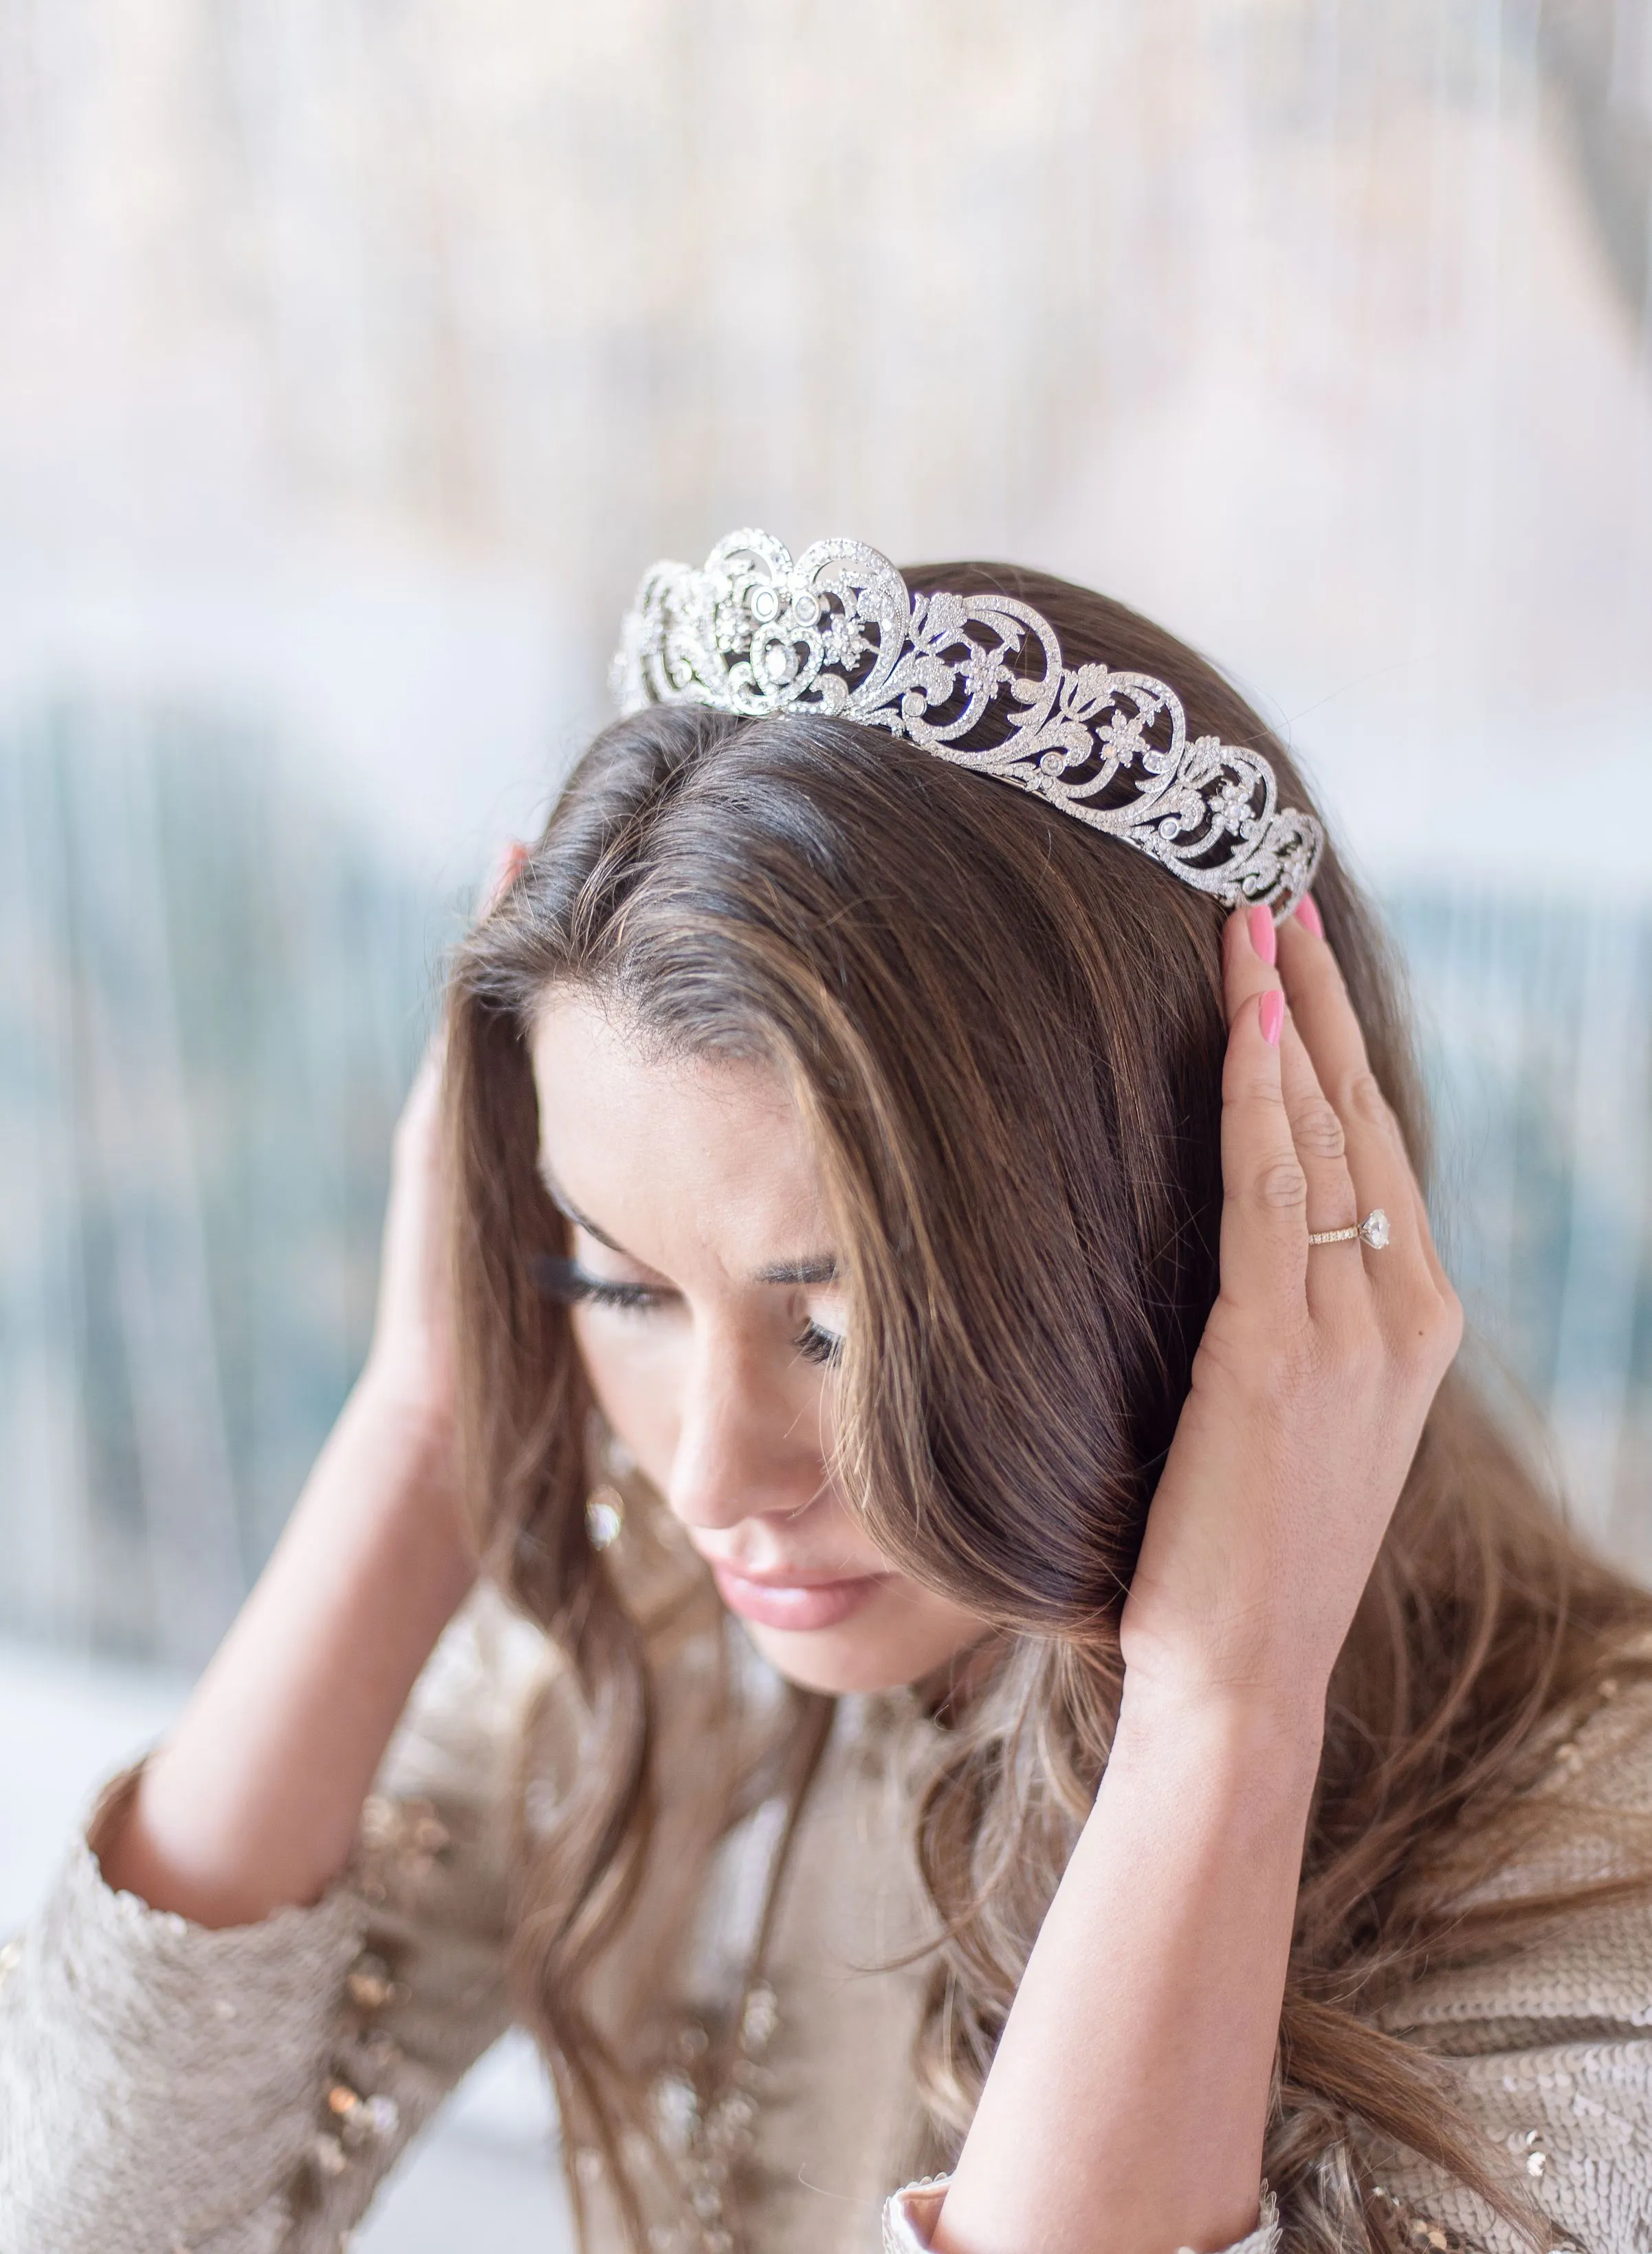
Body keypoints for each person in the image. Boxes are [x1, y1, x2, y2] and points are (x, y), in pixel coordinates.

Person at [4, 534, 1651, 2254]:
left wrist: (1216, 1726)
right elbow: (82, 2215)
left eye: (838, 1326)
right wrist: (427, 1413)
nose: (714, 1474)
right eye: (619, 1282)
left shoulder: (1597, 1874)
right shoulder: (637, 1627)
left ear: (1226, 1241)